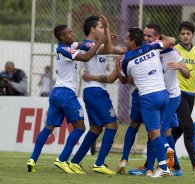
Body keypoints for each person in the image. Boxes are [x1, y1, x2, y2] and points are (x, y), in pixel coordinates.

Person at [26, 24, 106, 173]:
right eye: (69, 33)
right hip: (66, 94)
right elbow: (87, 56)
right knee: (80, 127)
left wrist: (101, 40)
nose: (72, 34)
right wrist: (100, 42)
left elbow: (83, 44)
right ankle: (62, 160)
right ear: (62, 37)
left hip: (56, 93)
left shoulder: (68, 45)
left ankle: (32, 159)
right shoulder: (65, 50)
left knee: (48, 128)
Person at [68, 15, 123, 175]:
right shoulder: (88, 44)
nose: (102, 30)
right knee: (112, 126)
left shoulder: (92, 45)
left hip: (93, 91)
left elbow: (110, 48)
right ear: (93, 30)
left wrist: (107, 36)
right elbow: (109, 49)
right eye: (99, 27)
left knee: (96, 129)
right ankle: (99, 163)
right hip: (96, 91)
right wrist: (107, 31)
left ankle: (75, 161)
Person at [118, 27, 175, 177]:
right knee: (157, 131)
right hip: (164, 94)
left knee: (153, 133)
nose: (125, 41)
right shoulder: (153, 46)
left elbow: (124, 80)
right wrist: (159, 36)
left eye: (126, 38)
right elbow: (172, 41)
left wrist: (119, 67)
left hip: (148, 97)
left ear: (132, 41)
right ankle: (155, 166)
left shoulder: (126, 59)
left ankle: (163, 165)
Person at [172, 21, 195, 172]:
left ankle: (168, 161)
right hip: (177, 93)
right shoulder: (174, 50)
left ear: (193, 35)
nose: (185, 36)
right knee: (189, 127)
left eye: (188, 33)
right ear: (179, 35)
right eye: (182, 33)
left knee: (176, 133)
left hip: (191, 95)